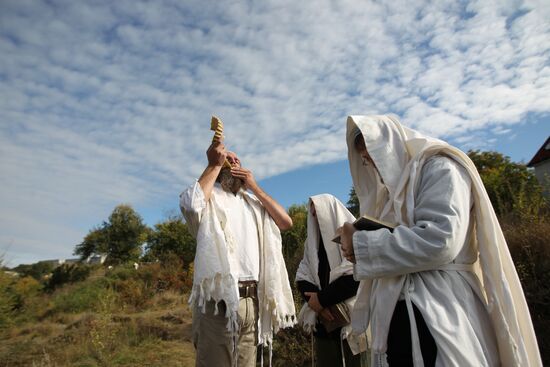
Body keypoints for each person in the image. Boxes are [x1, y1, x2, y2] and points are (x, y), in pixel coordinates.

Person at [338, 115, 541, 366]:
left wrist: (361, 244)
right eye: (367, 161)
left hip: (440, 309)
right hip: (398, 314)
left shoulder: (440, 167)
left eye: (374, 156)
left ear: (388, 147)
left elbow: (442, 239)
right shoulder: (390, 197)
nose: (373, 166)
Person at [180, 139, 296, 367]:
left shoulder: (254, 202)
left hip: (251, 302)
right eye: (227, 160)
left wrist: (254, 186)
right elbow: (191, 206)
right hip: (218, 303)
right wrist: (213, 165)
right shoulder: (210, 198)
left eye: (237, 160)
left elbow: (286, 222)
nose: (233, 163)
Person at [295, 194, 364, 367]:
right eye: (312, 214)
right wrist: (316, 304)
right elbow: (302, 277)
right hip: (324, 325)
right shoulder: (311, 246)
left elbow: (356, 275)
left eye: (318, 212)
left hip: (352, 322)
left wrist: (321, 300)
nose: (315, 218)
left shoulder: (355, 236)